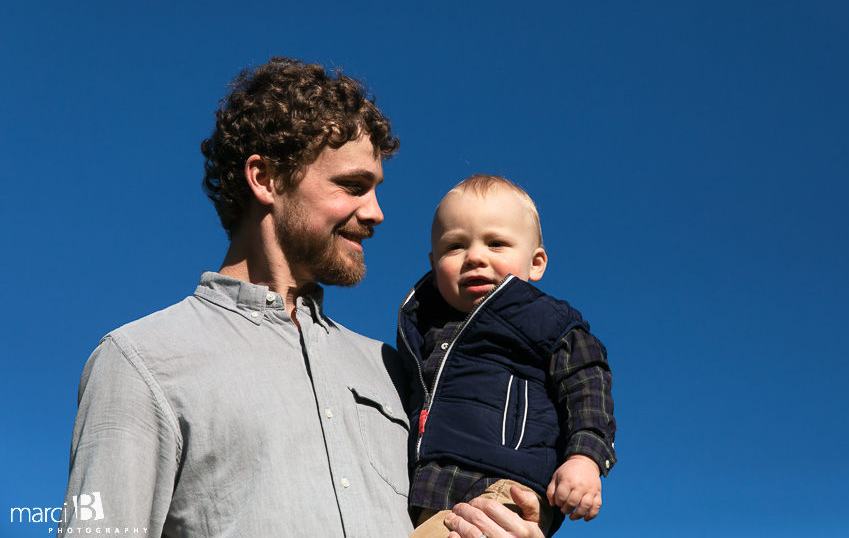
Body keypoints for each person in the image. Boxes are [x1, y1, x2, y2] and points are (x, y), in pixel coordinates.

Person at [58, 59, 543, 538]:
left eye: (374, 190)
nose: (376, 213)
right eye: (352, 186)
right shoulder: (142, 360)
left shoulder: (394, 370)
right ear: (265, 178)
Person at [397, 175, 617, 538]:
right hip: (429, 492)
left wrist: (584, 458)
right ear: (434, 265)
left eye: (496, 243)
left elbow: (587, 386)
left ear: (536, 263)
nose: (475, 257)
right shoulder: (423, 333)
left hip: (505, 487)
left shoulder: (546, 319)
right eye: (455, 247)